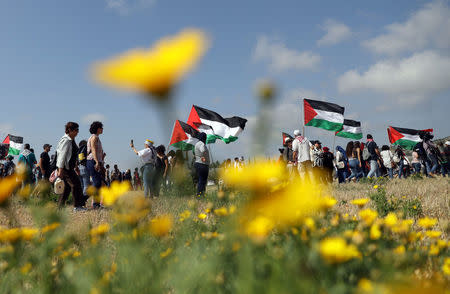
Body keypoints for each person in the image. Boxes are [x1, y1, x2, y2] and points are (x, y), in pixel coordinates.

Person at [56, 122, 86, 211]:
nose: (77, 132)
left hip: (69, 167)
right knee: (76, 184)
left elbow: (73, 155)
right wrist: (60, 169)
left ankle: (60, 207)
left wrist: (76, 166)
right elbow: (62, 155)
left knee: (67, 188)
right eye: (76, 130)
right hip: (65, 168)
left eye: (78, 130)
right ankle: (77, 206)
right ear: (70, 130)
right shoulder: (66, 140)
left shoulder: (71, 140)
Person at [86, 121, 105, 209]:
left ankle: (96, 204)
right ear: (98, 129)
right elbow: (93, 149)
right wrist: (97, 161)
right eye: (101, 128)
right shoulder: (94, 138)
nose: (102, 129)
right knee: (96, 182)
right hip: (92, 161)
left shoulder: (96, 137)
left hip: (95, 161)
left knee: (98, 183)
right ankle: (83, 198)